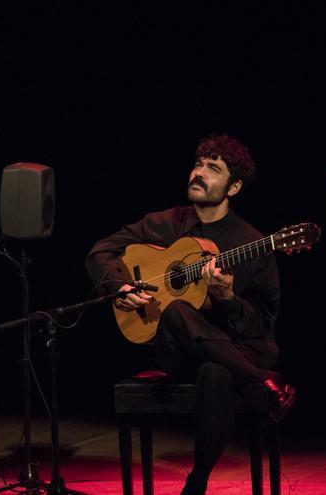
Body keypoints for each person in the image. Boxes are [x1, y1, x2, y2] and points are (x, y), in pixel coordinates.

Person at [85, 134, 296, 495]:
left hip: (233, 351)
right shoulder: (166, 223)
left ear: (235, 186)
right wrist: (118, 287)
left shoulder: (253, 243)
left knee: (215, 373)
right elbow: (101, 251)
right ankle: (262, 382)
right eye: (198, 164)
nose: (199, 173)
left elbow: (264, 323)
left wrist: (228, 299)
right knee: (177, 310)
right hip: (178, 352)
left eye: (213, 168)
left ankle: (197, 481)